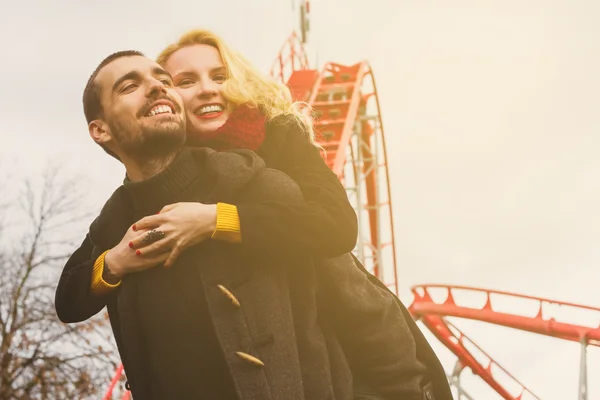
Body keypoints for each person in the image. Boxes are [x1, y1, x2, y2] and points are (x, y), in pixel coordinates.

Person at [55, 29, 452, 400]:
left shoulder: (273, 159)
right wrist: (115, 262)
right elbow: (70, 294)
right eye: (185, 81)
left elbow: (336, 231)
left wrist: (215, 220)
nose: (206, 89)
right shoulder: (131, 208)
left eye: (219, 76)